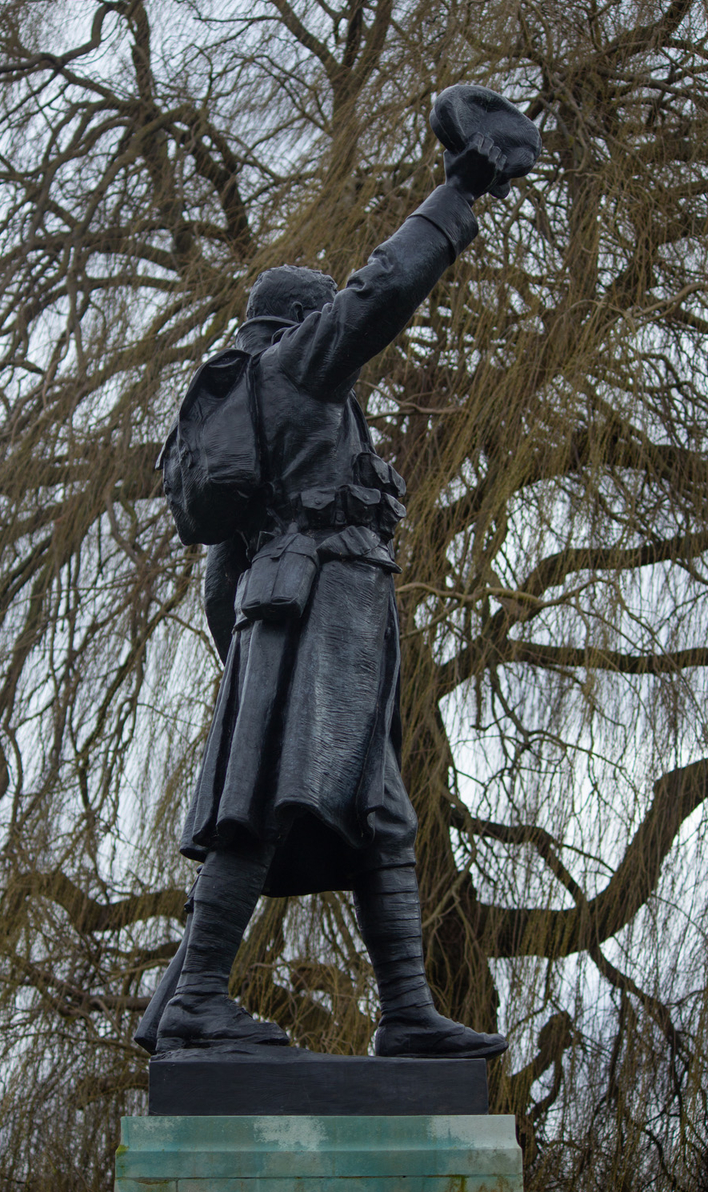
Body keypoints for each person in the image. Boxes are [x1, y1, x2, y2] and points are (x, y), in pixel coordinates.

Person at [156, 135, 510, 1058]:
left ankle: (404, 1014)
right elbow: (382, 289)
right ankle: (196, 995)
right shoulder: (298, 370)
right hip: (325, 606)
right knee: (275, 795)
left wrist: (249, 662)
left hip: (309, 614)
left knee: (377, 809)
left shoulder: (257, 403)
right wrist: (460, 189)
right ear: (309, 326)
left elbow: (220, 576)